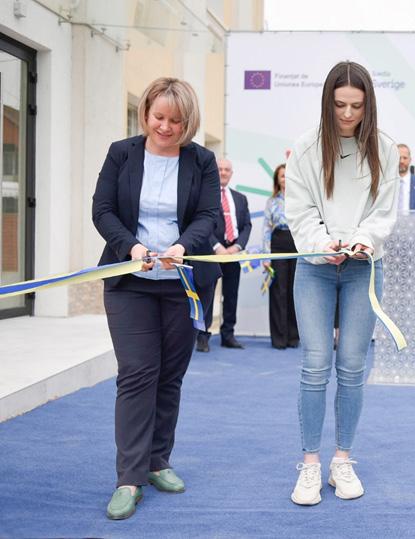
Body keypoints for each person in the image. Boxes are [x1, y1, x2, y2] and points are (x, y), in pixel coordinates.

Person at [92, 77, 220, 520]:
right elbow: (103, 210)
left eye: (175, 121)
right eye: (158, 117)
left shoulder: (202, 160)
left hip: (183, 282)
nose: (165, 127)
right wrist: (132, 247)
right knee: (137, 374)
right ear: (145, 112)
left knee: (170, 376)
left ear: (189, 122)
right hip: (131, 281)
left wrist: (183, 246)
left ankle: (157, 461)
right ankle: (129, 478)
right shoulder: (121, 153)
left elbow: (208, 215)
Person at [284, 61, 400, 506]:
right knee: (315, 363)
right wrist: (321, 243)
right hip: (315, 267)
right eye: (339, 105)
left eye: (357, 105)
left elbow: (384, 211)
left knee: (351, 365)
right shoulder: (306, 148)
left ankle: (342, 460)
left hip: (363, 268)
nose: (348, 114)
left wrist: (364, 240)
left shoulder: (384, 149)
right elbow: (299, 210)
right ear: (327, 102)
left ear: (369, 104)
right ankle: (310, 464)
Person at [197, 158, 252, 352]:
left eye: (227, 169)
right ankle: (202, 336)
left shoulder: (240, 198)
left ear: (231, 173)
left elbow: (247, 225)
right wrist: (217, 246)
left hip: (233, 253)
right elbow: (201, 224)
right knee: (207, 295)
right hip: (212, 253)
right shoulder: (205, 196)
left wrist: (237, 247)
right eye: (219, 169)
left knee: (231, 295)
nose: (223, 172)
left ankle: (228, 335)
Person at [262, 163, 300, 349]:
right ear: (277, 179)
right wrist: (266, 256)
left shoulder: (300, 199)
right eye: (282, 175)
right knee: (278, 291)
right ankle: (279, 339)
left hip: (297, 244)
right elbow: (266, 229)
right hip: (278, 243)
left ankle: (293, 337)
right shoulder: (271, 202)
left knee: (295, 291)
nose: (285, 178)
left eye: (288, 175)